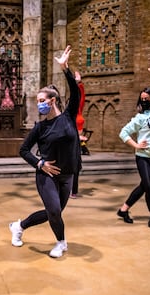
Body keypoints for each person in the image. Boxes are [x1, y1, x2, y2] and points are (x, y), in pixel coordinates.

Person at [9, 45, 81, 258]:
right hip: (47, 174)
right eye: (38, 102)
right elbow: (23, 150)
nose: (39, 105)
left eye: (42, 101)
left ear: (53, 100)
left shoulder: (68, 116)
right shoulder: (40, 128)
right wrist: (40, 164)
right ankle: (61, 243)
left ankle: (19, 226)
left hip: (67, 175)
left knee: (53, 212)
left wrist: (65, 69)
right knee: (55, 211)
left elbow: (75, 92)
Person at [117, 57, 150, 228]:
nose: (144, 101)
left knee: (144, 185)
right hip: (144, 156)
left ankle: (123, 209)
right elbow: (123, 132)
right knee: (149, 185)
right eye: (142, 99)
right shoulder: (140, 118)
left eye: (146, 98)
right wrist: (136, 145)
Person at [70, 71, 85, 199]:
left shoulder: (78, 111)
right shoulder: (68, 114)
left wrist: (79, 83)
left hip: (77, 144)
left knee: (76, 166)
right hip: (69, 143)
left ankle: (73, 190)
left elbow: (81, 97)